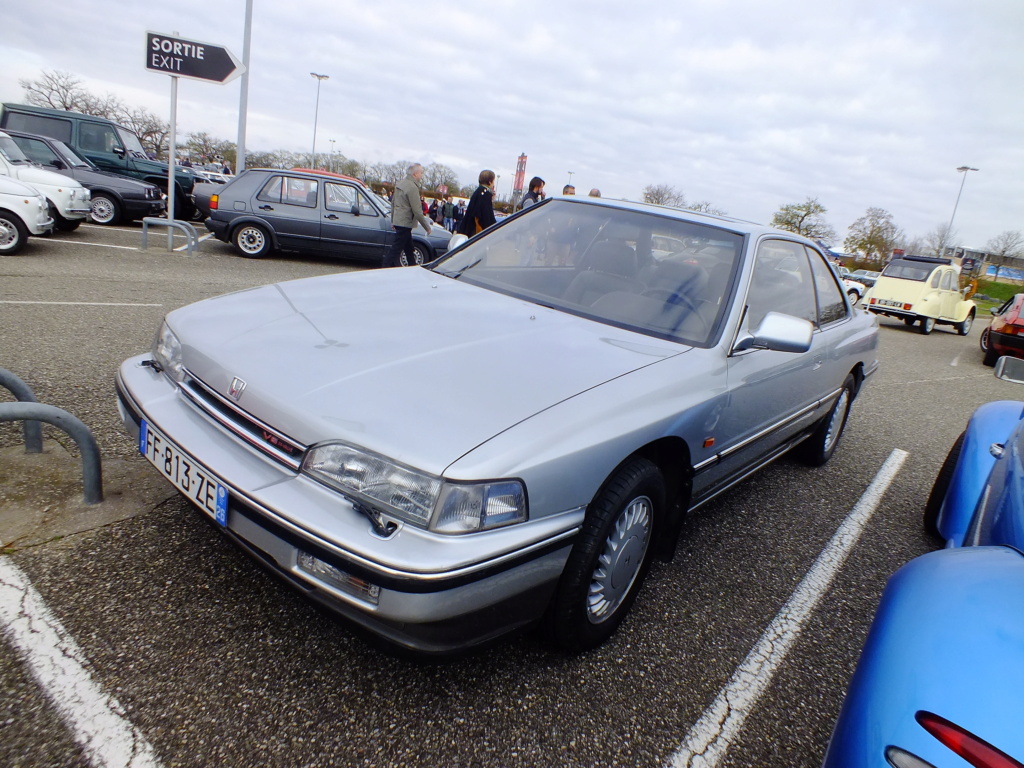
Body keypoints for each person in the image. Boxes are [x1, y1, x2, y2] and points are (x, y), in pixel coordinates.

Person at [383, 163, 432, 268]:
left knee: (408, 248)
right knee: (396, 248)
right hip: (406, 222)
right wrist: (427, 227)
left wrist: (393, 220)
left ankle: (412, 266)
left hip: (399, 220)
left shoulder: (400, 184)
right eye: (421, 173)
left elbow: (393, 204)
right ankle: (384, 268)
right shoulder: (412, 187)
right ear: (415, 174)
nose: (422, 175)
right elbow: (417, 210)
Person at [458, 170, 497, 236]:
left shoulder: (477, 192)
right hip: (476, 233)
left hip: (467, 230)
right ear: (490, 182)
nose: (493, 184)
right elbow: (486, 217)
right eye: (493, 181)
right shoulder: (485, 195)